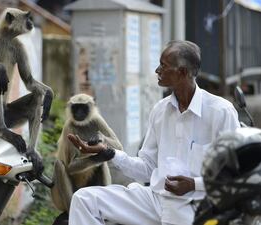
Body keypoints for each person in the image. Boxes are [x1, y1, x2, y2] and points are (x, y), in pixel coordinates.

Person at [66, 40, 240, 225]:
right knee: (84, 200)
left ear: (182, 72)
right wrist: (109, 153)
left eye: (163, 66)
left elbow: (235, 175)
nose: (157, 70)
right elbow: (147, 168)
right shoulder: (160, 110)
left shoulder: (220, 111)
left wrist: (193, 185)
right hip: (156, 200)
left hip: (196, 205)